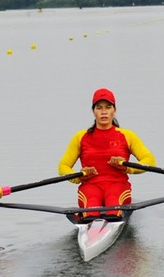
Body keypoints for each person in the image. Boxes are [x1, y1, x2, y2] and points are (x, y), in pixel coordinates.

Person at [58, 88, 156, 218]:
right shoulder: (80, 137)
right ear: (93, 111)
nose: (103, 112)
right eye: (99, 108)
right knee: (91, 203)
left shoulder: (127, 135)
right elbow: (63, 166)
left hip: (118, 186)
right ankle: (91, 221)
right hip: (90, 186)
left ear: (114, 110)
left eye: (108, 107)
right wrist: (79, 176)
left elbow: (149, 160)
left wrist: (127, 167)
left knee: (113, 201)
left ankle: (110, 218)